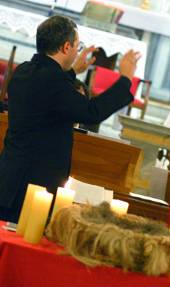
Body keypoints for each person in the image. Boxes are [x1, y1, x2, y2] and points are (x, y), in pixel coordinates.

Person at [0, 15, 140, 223]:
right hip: (33, 182)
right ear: (66, 47)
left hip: (9, 176)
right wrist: (126, 79)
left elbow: (49, 93)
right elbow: (92, 112)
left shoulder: (24, 71)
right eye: (76, 46)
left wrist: (74, 70)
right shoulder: (54, 81)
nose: (77, 51)